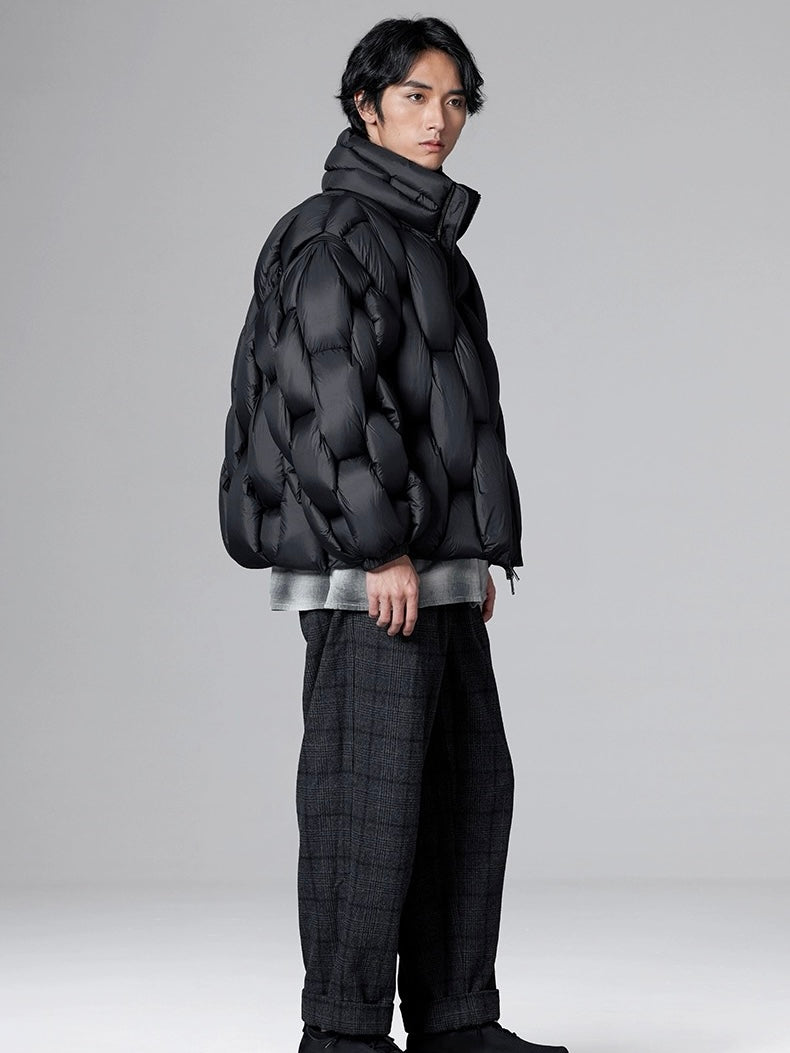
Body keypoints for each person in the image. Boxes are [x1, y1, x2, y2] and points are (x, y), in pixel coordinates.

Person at [219, 16, 568, 1053]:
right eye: (416, 96)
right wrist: (379, 547)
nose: (439, 119)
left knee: (468, 792)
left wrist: (468, 549)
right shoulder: (333, 233)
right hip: (372, 570)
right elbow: (327, 400)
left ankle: (456, 1019)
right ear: (365, 105)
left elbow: (442, 416)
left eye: (455, 101)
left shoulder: (427, 245)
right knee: (365, 806)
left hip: (430, 569)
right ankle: (343, 1032)